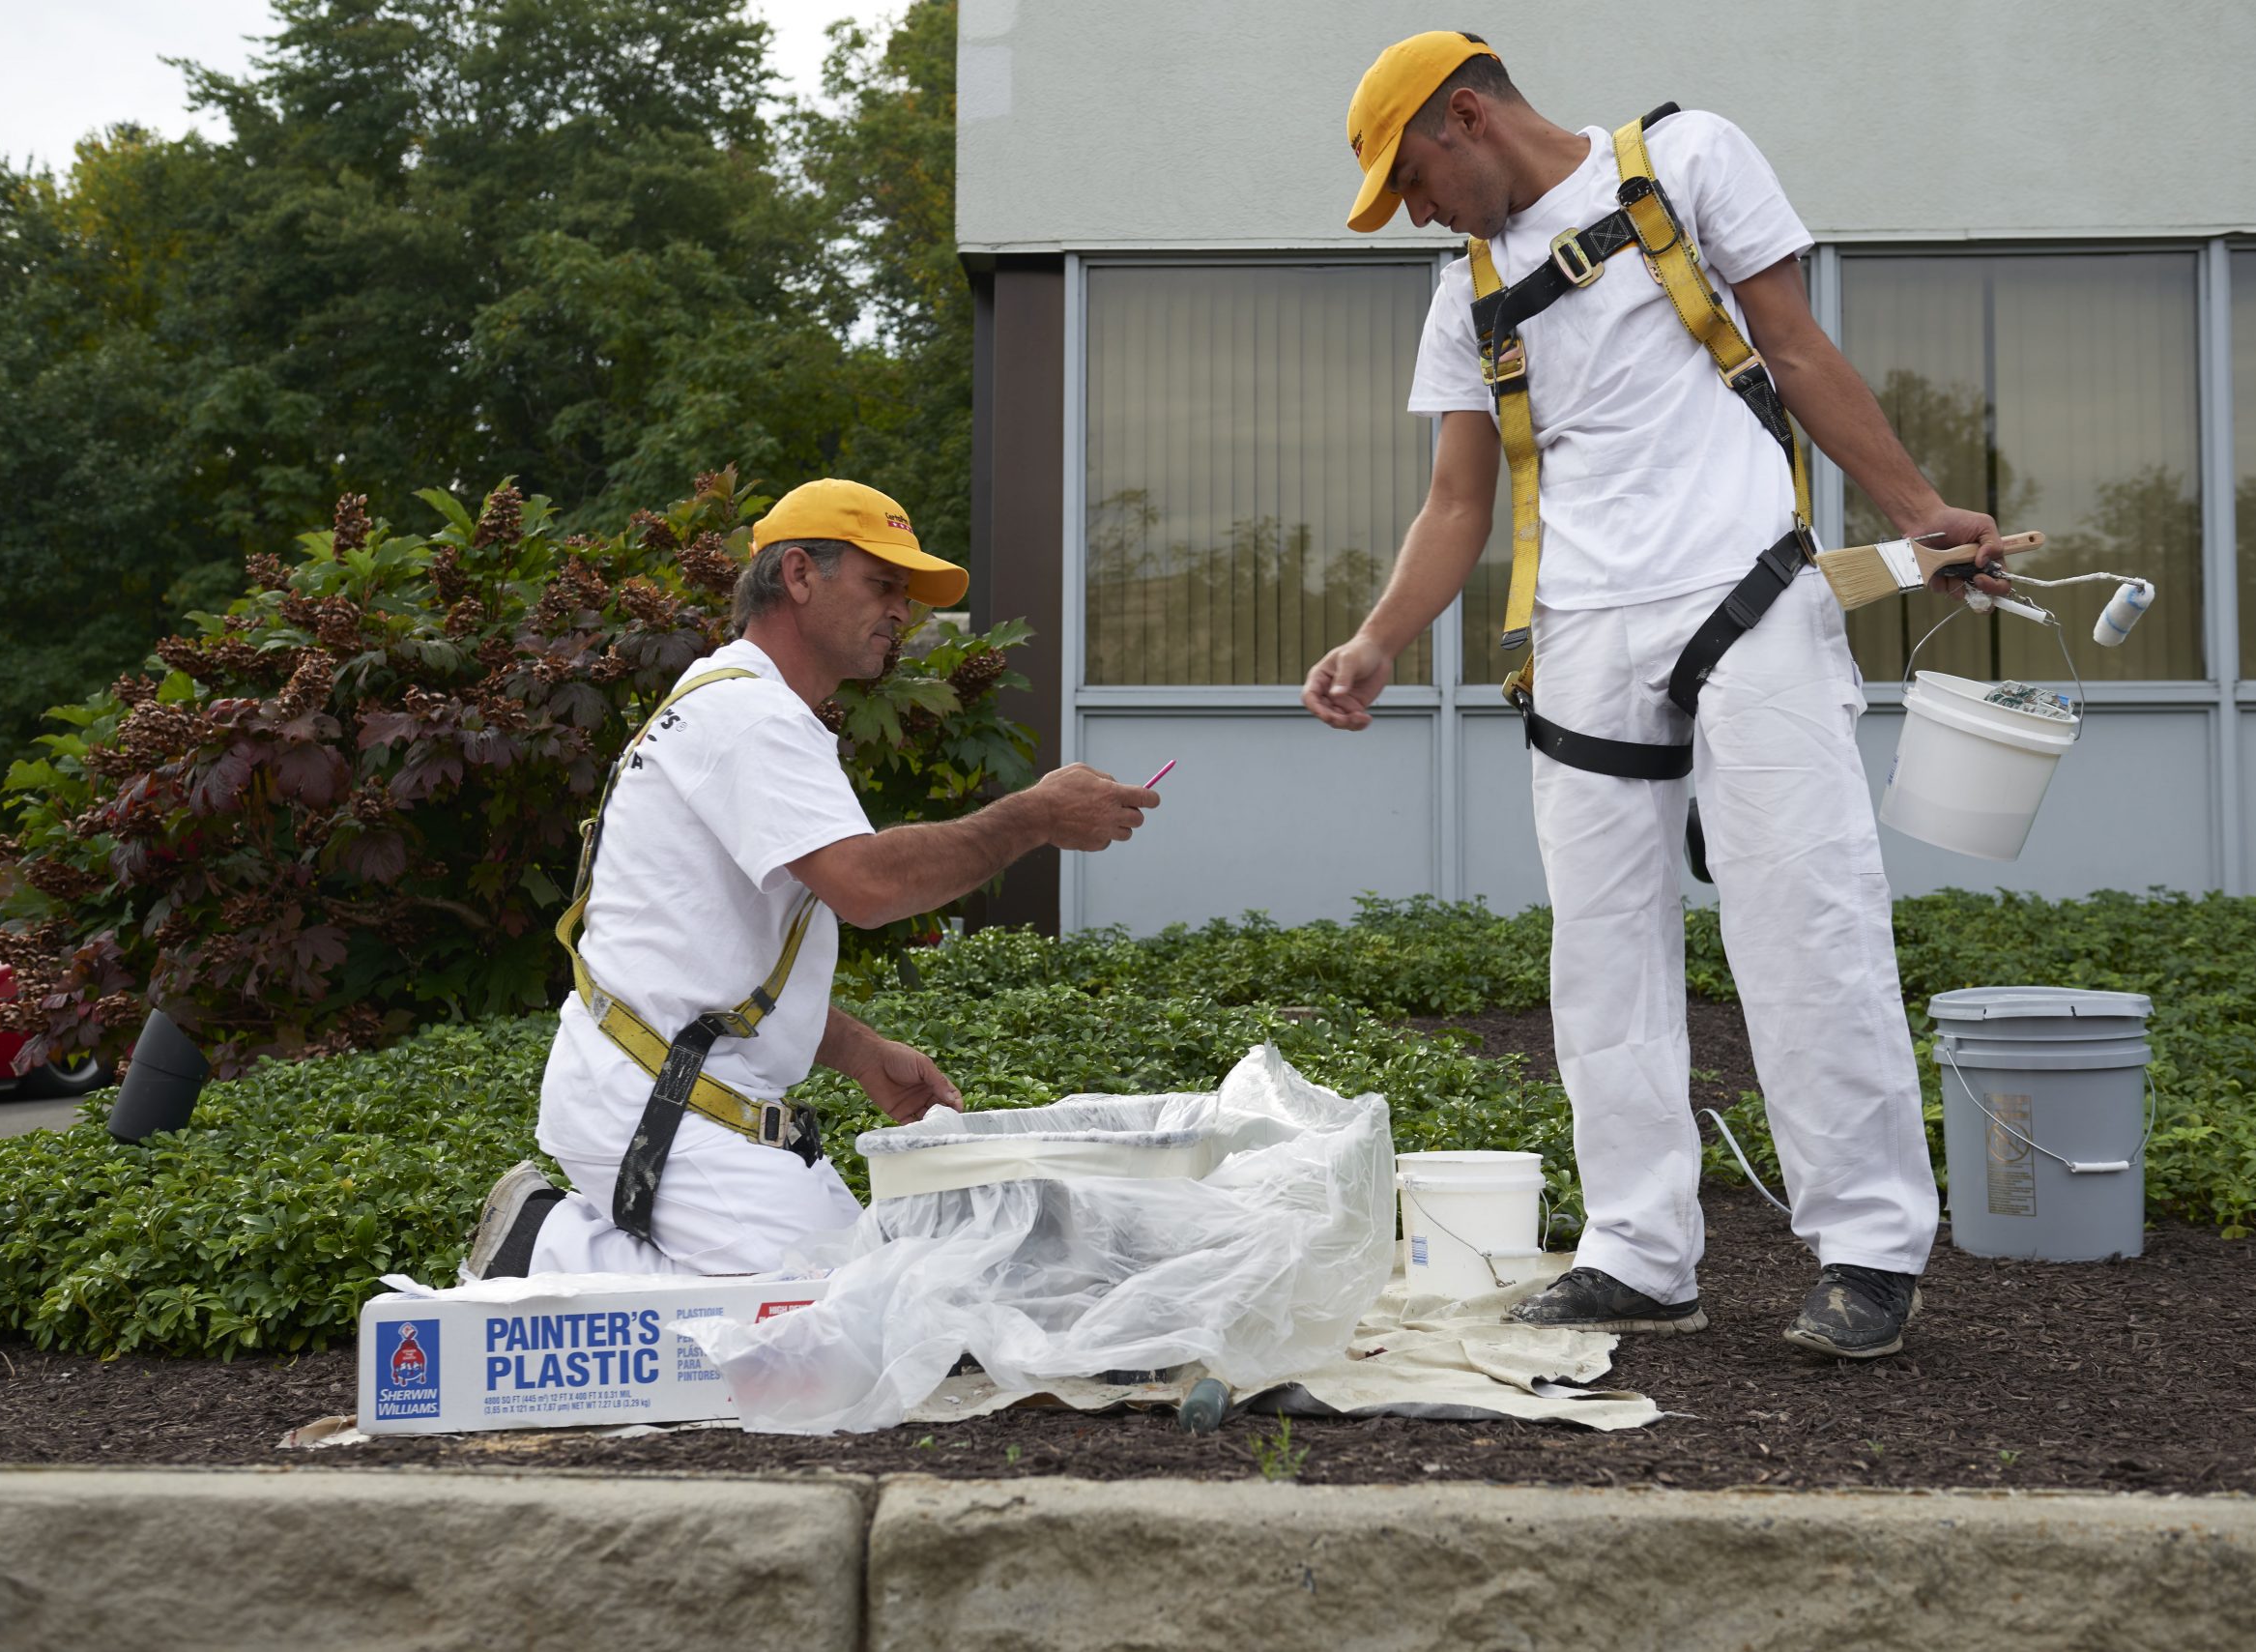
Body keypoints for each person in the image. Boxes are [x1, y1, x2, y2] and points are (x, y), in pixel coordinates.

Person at [1308, 32, 2011, 1358]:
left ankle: (1867, 1248)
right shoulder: (1465, 292)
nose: (1414, 213)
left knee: (1805, 915)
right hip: (1581, 634)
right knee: (1600, 953)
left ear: (1467, 117)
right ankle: (1637, 1252)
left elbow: (1793, 348)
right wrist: (1380, 637)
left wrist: (1918, 514)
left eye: (1411, 180)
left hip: (1747, 591)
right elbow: (1458, 501)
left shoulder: (1684, 161)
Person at [463, 478, 1156, 1280]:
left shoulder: (736, 703)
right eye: (883, 583)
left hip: (658, 1086)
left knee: (859, 1280)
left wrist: (859, 1051)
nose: (902, 611)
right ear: (798, 574)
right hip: (658, 1101)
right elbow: (866, 887)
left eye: (906, 593)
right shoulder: (753, 718)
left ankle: (556, 1244)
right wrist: (1035, 816)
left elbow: (707, 959)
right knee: (823, 1309)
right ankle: (545, 1248)